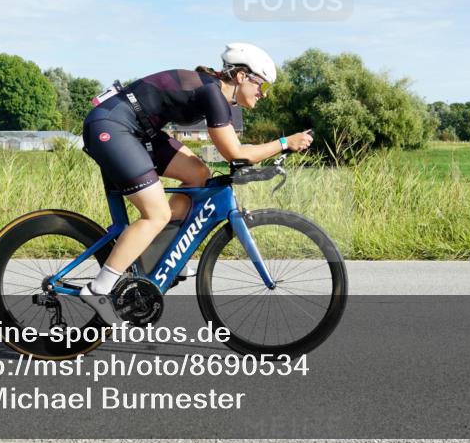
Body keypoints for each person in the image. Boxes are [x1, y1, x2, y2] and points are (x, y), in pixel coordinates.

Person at [78, 42, 313, 323]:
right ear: (241, 76)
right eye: (261, 85)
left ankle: (161, 254)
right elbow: (235, 153)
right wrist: (285, 143)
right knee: (156, 213)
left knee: (198, 175)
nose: (263, 94)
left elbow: (236, 151)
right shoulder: (212, 93)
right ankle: (98, 288)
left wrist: (274, 151)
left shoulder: (217, 94)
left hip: (137, 129)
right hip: (111, 125)